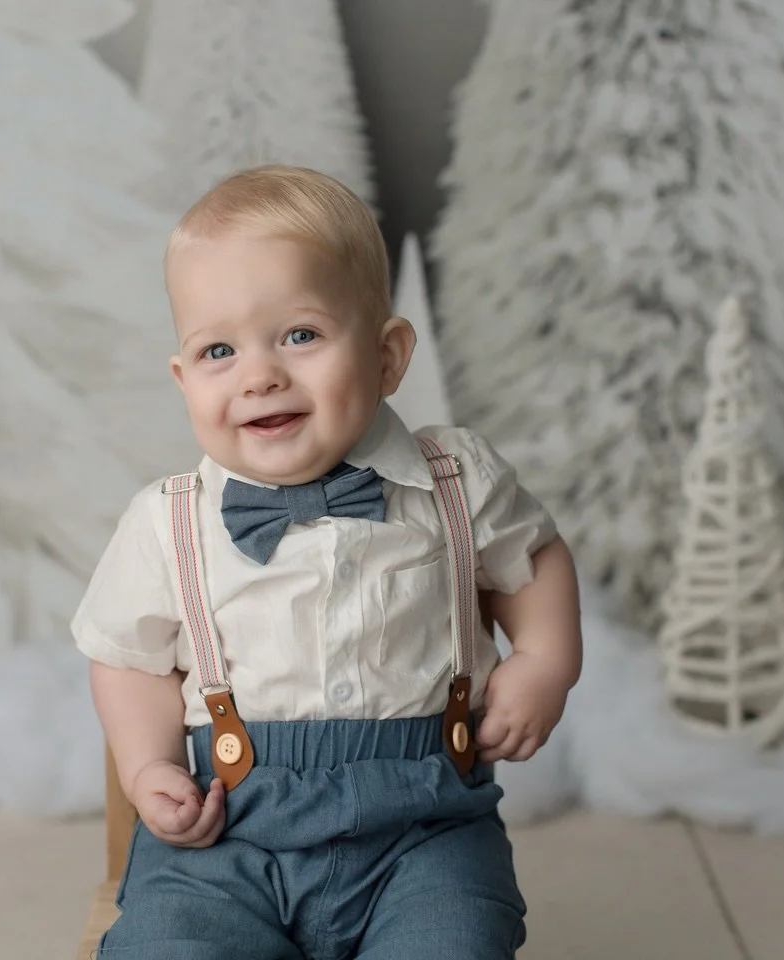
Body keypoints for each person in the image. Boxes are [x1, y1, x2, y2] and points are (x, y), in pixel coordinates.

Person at [72, 164, 583, 959]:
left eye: (300, 335)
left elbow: (535, 558)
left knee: (455, 941)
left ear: (387, 356)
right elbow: (127, 659)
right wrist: (149, 768)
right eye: (217, 350)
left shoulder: (454, 481)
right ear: (183, 380)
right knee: (167, 946)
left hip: (423, 831)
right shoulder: (167, 522)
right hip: (225, 840)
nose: (260, 374)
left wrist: (546, 660)